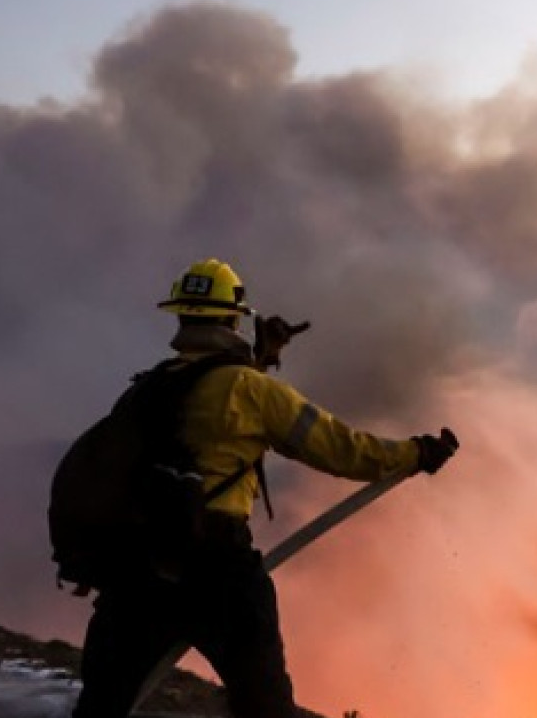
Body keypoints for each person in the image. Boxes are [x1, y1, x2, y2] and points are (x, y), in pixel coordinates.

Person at [71, 258, 456, 718]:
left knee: (102, 703)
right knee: (264, 705)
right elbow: (342, 450)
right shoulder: (251, 391)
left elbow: (209, 409)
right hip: (216, 566)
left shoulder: (149, 388)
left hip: (139, 570)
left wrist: (261, 359)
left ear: (181, 316)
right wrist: (416, 453)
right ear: (234, 318)